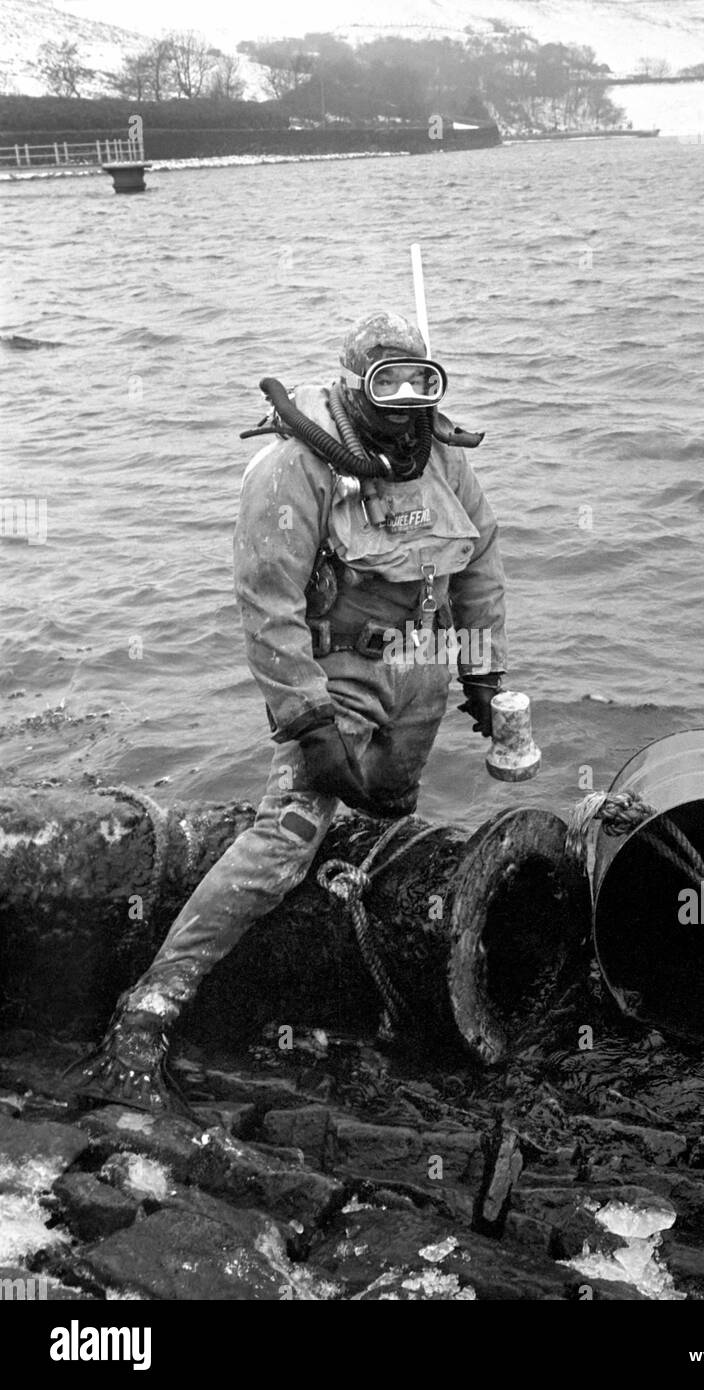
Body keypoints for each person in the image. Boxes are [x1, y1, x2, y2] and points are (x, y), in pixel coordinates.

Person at [72, 309, 508, 1112]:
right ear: (353, 384)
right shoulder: (294, 469)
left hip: (421, 670)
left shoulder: (442, 457)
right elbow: (267, 605)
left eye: (423, 383)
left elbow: (478, 564)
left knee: (386, 815)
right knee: (287, 837)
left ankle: (345, 969)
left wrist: (483, 676)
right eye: (391, 385)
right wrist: (309, 725)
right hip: (336, 672)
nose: (409, 403)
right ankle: (153, 1005)